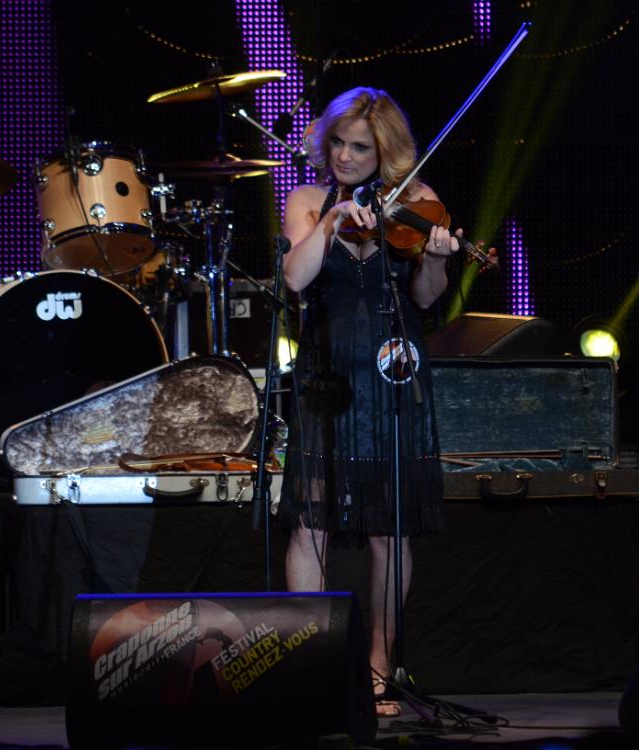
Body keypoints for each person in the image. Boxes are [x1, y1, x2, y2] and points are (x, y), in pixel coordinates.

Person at [278, 87, 459, 717]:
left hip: (392, 370)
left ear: (385, 151)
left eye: (360, 147)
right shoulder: (307, 201)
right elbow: (296, 278)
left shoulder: (416, 202)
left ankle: (381, 664)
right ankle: (312, 663)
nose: (346, 157)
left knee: (389, 527)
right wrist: (331, 221)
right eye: (338, 142)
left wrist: (436, 258)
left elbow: (426, 296)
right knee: (311, 521)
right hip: (327, 372)